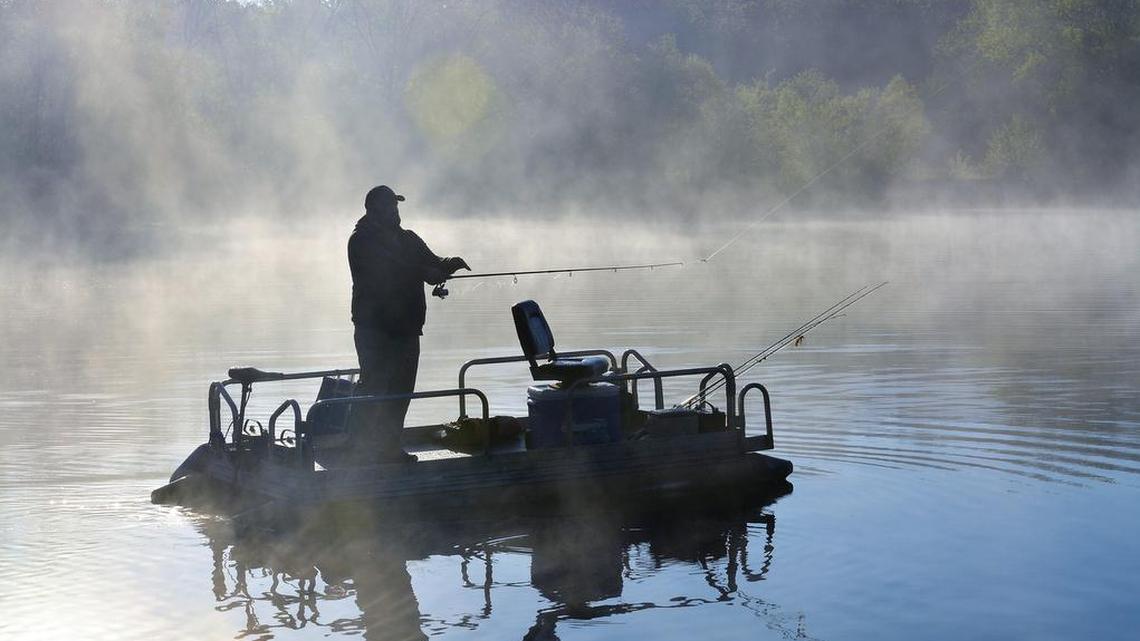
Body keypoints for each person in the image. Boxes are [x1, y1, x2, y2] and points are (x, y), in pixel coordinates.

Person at [348, 185, 469, 463]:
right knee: (375, 389)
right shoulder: (361, 241)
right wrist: (426, 272)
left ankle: (389, 449)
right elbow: (389, 271)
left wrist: (449, 264)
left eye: (396, 206)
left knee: (401, 392)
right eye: (390, 207)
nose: (395, 211)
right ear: (374, 210)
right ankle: (362, 450)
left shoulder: (408, 239)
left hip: (406, 329)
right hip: (374, 330)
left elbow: (431, 260)